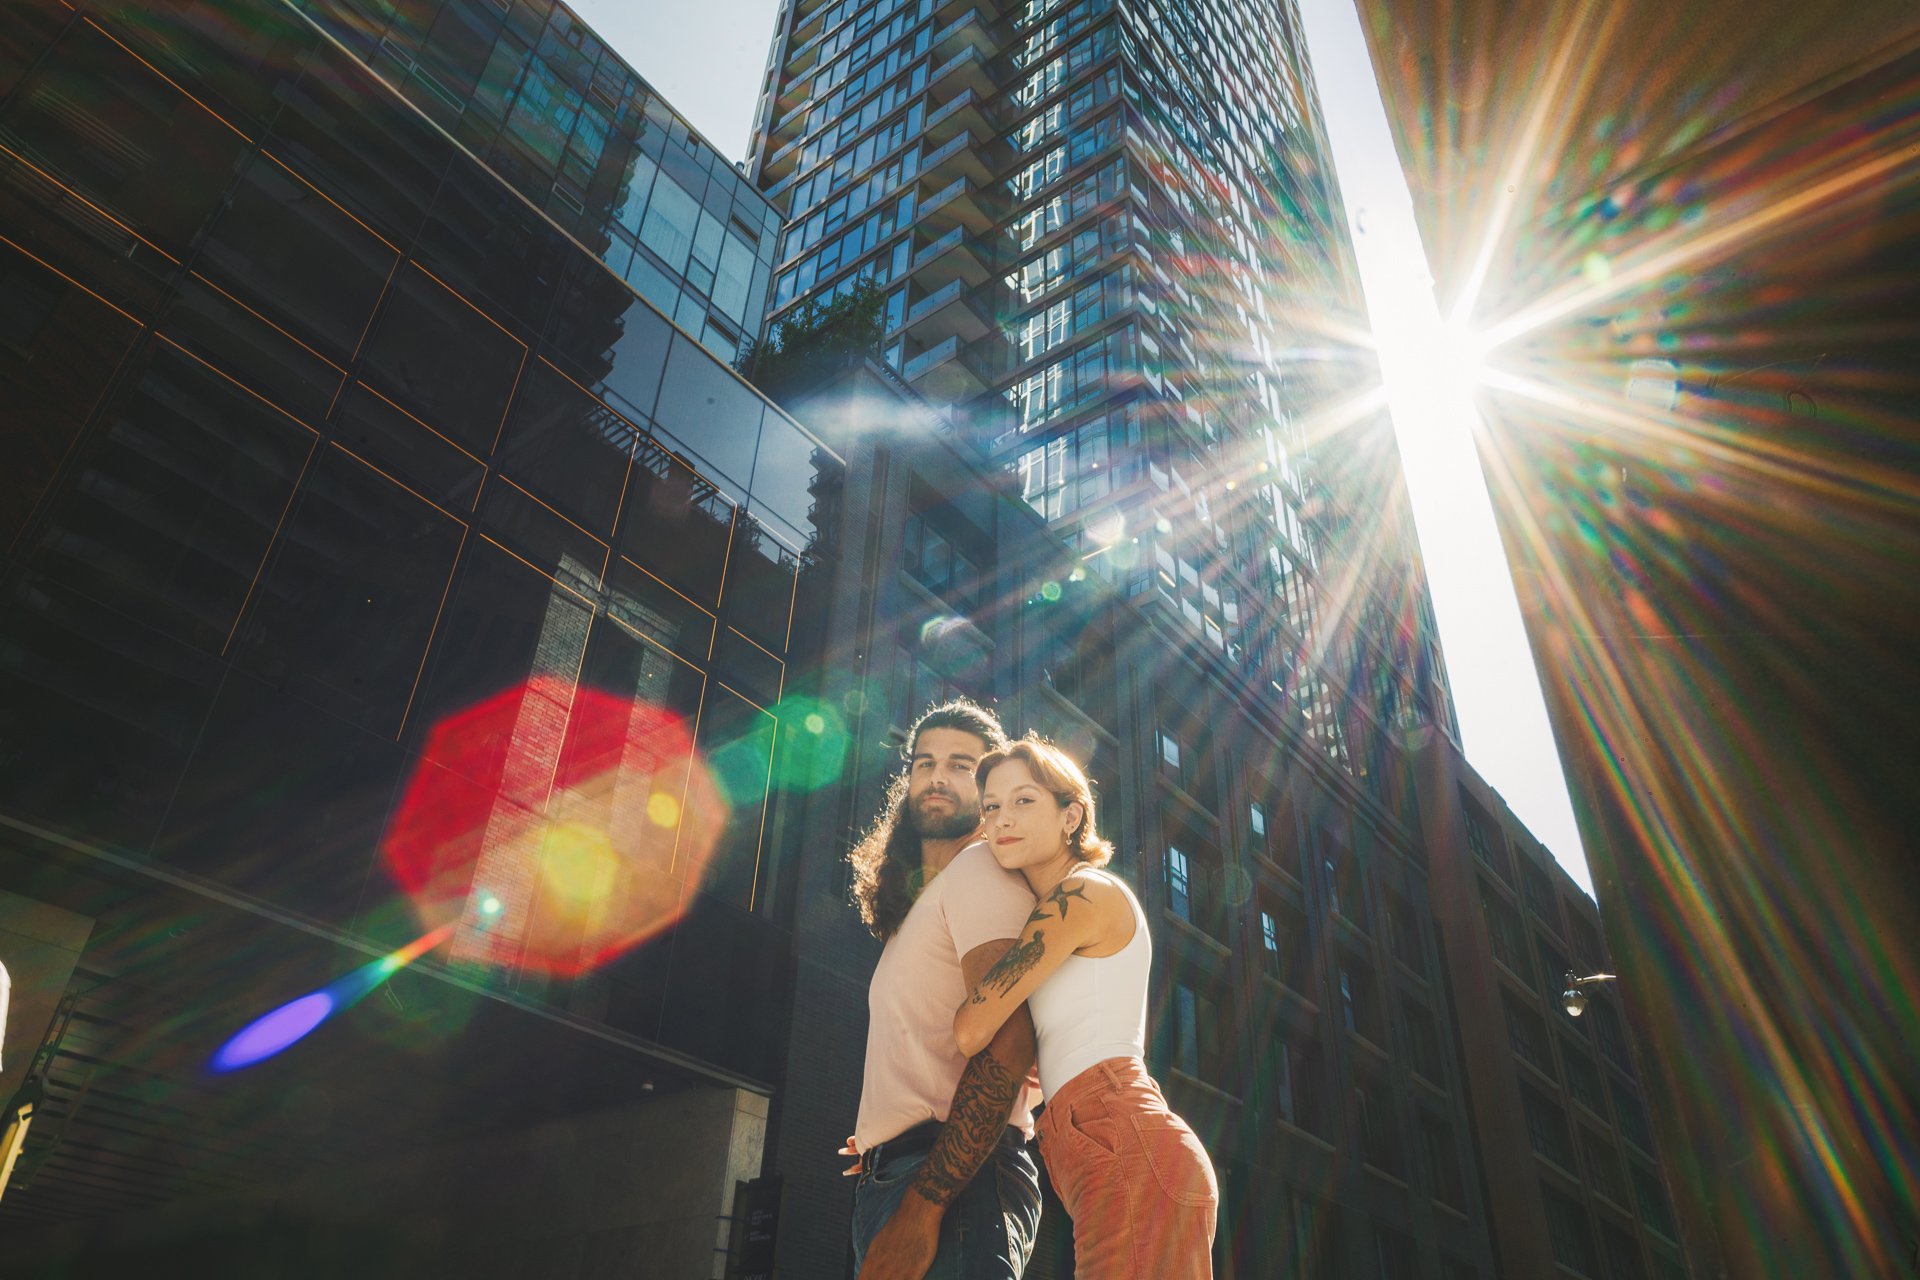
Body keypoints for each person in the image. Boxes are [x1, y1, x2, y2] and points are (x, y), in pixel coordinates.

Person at [955, 735, 1219, 1279]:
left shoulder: (1083, 896)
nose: (1002, 819)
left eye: (1024, 800)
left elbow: (971, 1028)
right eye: (991, 807)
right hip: (1101, 1144)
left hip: (1122, 1136)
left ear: (1071, 815)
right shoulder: (1054, 914)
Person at [843, 700, 1044, 1280]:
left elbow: (1010, 1042)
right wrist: (884, 1128)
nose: (936, 776)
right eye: (924, 762)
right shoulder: (921, 903)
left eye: (961, 765)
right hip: (907, 1174)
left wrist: (922, 1207)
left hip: (949, 1185)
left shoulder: (982, 869)